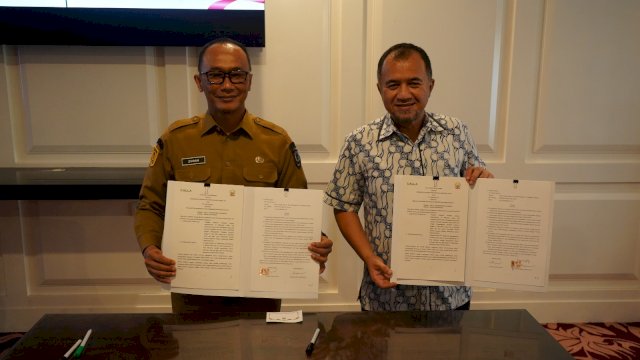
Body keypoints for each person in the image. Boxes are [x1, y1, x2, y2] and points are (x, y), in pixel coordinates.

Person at [135, 37, 333, 313]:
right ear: (199, 82)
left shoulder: (276, 141)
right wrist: (149, 250)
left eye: (237, 75)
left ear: (249, 81)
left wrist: (316, 242)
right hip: (193, 293)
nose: (227, 85)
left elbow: (296, 212)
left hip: (260, 294)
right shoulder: (176, 140)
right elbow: (150, 206)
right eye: (215, 75)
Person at [323, 43, 494, 311]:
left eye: (414, 83)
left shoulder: (457, 132)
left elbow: (479, 187)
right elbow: (343, 206)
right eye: (393, 85)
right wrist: (368, 257)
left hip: (450, 295)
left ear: (430, 85)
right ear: (380, 88)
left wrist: (483, 181)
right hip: (386, 296)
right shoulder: (359, 142)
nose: (404, 94)